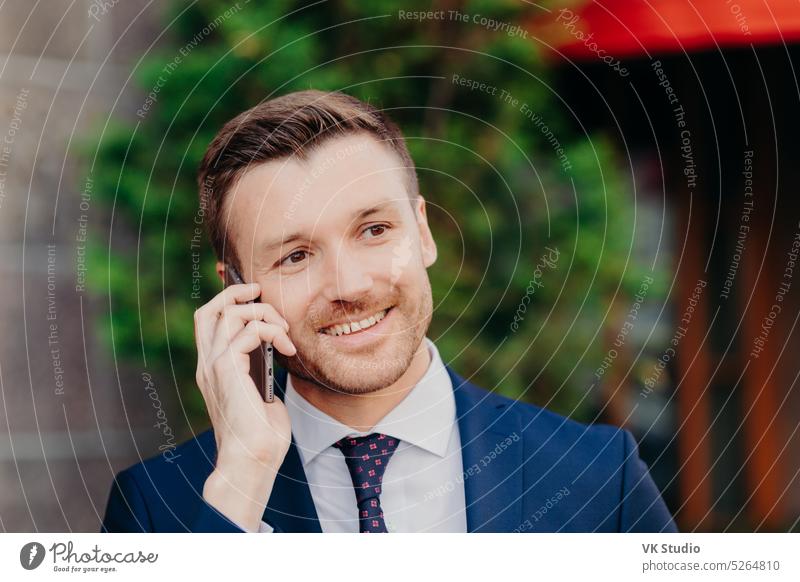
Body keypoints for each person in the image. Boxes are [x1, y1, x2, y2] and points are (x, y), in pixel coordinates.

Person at [101, 90, 677, 533]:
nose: (348, 284)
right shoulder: (161, 506)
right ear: (239, 294)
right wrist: (241, 483)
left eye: (374, 229)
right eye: (296, 256)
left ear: (422, 233)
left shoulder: (601, 478)